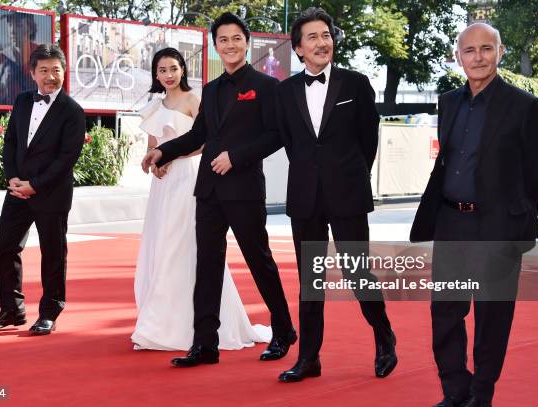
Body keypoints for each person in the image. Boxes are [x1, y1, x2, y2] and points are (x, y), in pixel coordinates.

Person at [226, 7, 398, 382]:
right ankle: (309, 358)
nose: (322, 43)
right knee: (311, 280)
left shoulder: (356, 83)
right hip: (305, 197)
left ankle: (384, 339)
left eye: (327, 35)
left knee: (357, 273)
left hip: (348, 194)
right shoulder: (285, 91)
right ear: (299, 48)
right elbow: (287, 140)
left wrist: (349, 176)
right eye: (313, 38)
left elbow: (368, 140)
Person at [142, 12, 296, 367]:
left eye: (236, 38)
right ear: (215, 46)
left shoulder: (267, 86)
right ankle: (205, 344)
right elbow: (198, 136)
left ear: (247, 42)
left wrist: (236, 157)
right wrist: (162, 150)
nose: (230, 45)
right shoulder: (210, 90)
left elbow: (275, 135)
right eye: (223, 40)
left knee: (260, 261)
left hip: (243, 188)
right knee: (207, 266)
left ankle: (284, 329)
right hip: (208, 190)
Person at [410, 23, 538, 407]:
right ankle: (455, 391)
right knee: (446, 315)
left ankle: (481, 395)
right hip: (451, 223)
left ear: (500, 52)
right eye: (469, 50)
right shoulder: (450, 101)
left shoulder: (526, 107)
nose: (477, 57)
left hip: (497, 230)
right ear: (459, 56)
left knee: (491, 320)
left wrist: (511, 218)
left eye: (485, 49)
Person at [131, 47, 271, 350]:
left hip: (189, 179)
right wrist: (154, 161)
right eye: (162, 71)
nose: (168, 75)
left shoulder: (197, 99)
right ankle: (160, 321)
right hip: (163, 185)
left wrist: (173, 155)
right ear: (156, 75)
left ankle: (193, 326)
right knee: (161, 244)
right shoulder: (155, 106)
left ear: (183, 69)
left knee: (187, 247)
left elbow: (205, 139)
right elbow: (153, 143)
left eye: (173, 68)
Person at [0, 44, 86, 336]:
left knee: (52, 253)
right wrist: (12, 178)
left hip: (51, 193)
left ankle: (50, 312)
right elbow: (11, 142)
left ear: (64, 72)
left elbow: (67, 159)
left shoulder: (73, 111)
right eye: (44, 70)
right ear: (32, 73)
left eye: (56, 70)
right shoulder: (23, 101)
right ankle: (12, 309)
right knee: (5, 246)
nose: (51, 76)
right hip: (17, 191)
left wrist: (35, 185)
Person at [0, 13, 39, 104]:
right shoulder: (1, 57)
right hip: (8, 112)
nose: (12, 31)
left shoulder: (42, 55)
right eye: (10, 25)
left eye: (18, 25)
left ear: (30, 28)